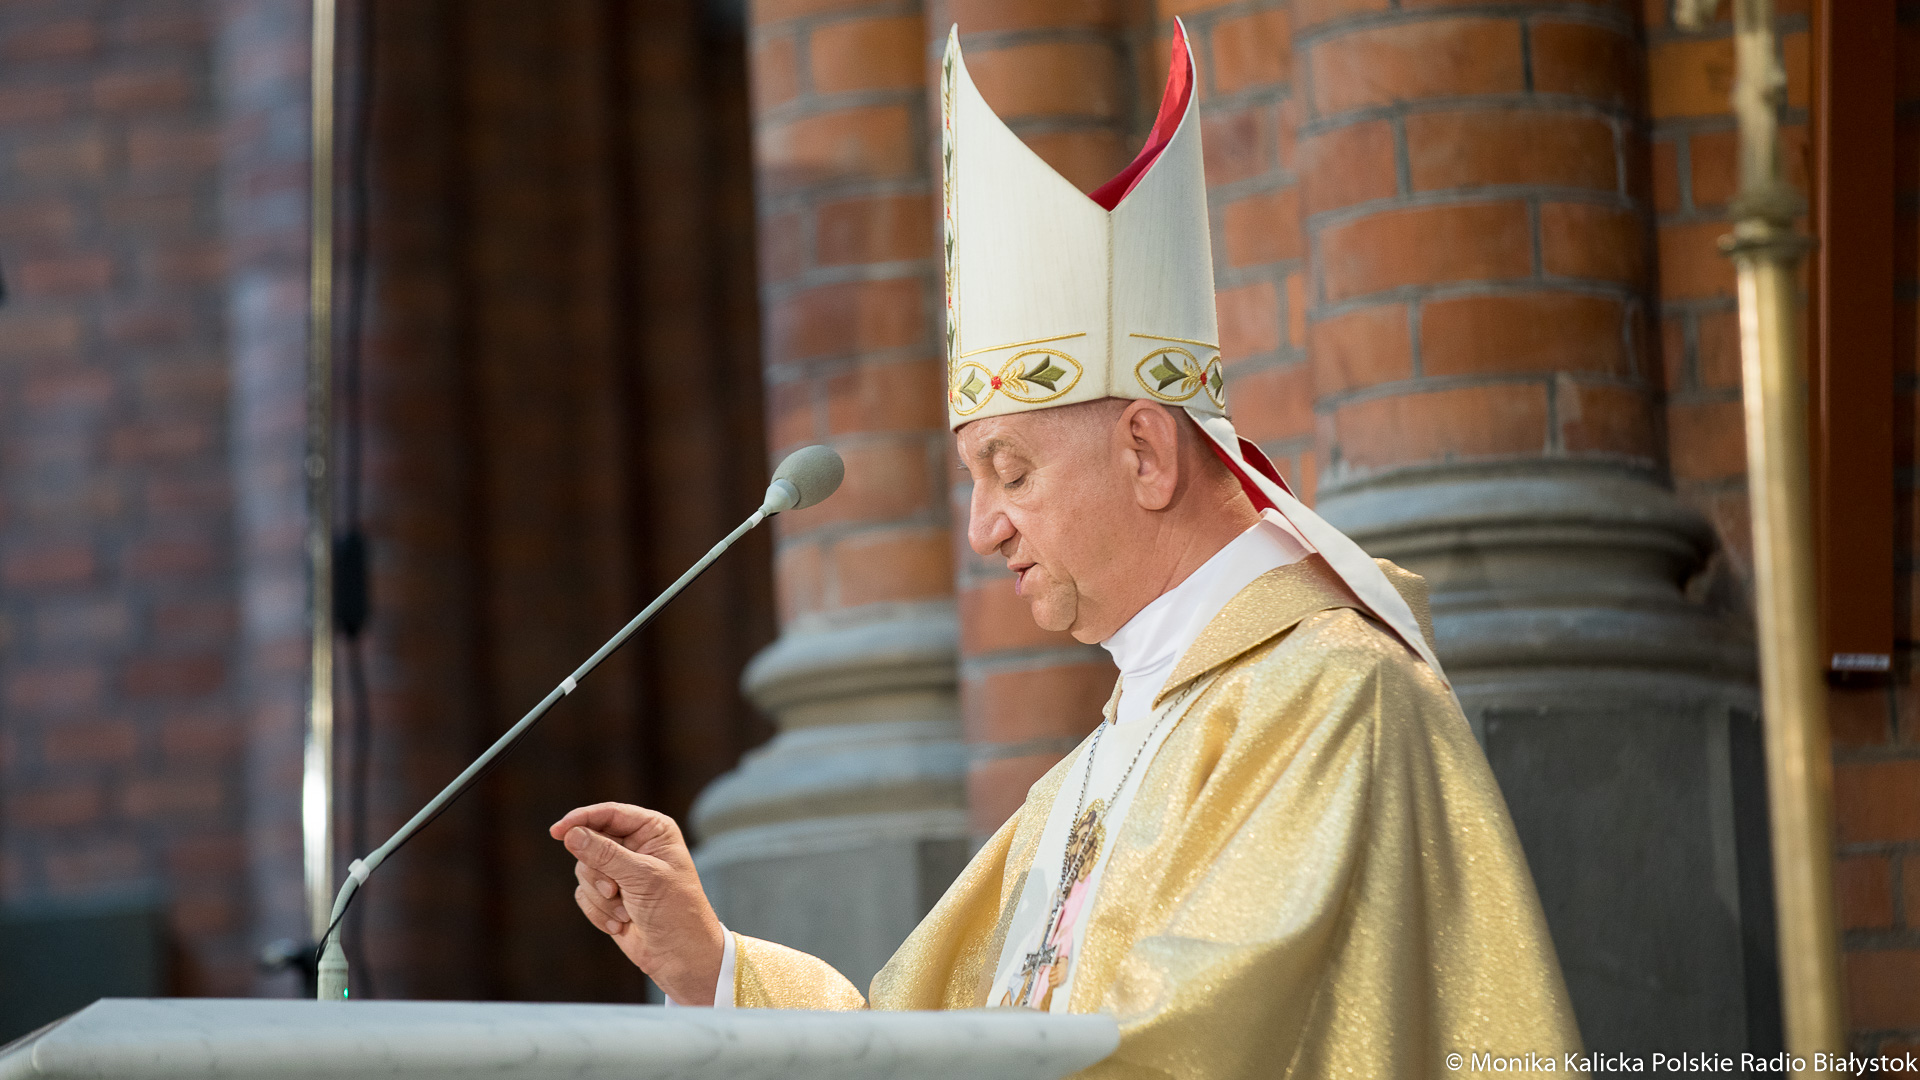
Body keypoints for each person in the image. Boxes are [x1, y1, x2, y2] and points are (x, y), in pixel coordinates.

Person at [550, 21, 1584, 1077]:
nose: (981, 527)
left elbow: (1181, 1051)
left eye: (1010, 470)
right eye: (973, 482)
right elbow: (926, 1033)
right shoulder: (1107, 758)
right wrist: (716, 966)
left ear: (1145, 450)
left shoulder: (1332, 703)